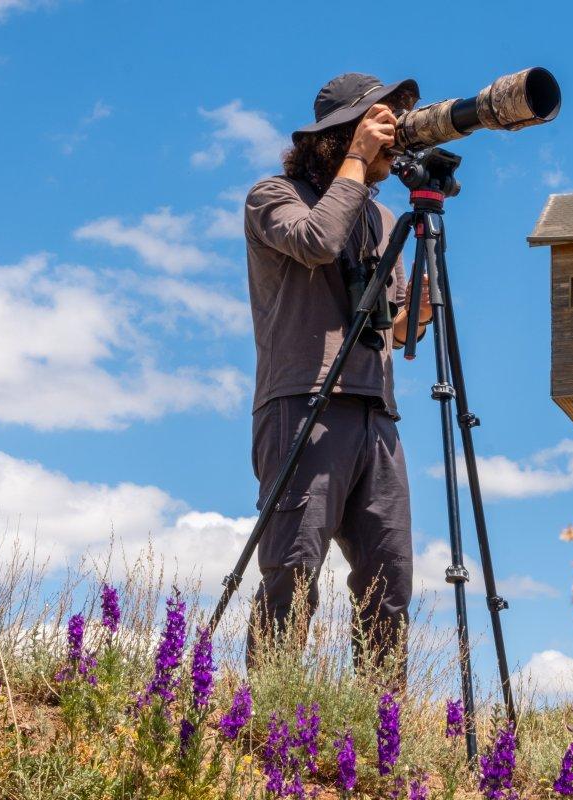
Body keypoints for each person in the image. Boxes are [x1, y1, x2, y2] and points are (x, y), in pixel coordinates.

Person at [243, 73, 431, 680]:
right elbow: (318, 242)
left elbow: (400, 329)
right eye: (375, 125)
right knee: (292, 569)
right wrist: (357, 156)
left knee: (390, 578)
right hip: (304, 399)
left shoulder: (380, 218)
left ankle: (382, 732)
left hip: (376, 410)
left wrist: (425, 296)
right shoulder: (273, 195)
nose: (388, 142)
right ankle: (266, 713)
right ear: (338, 136)